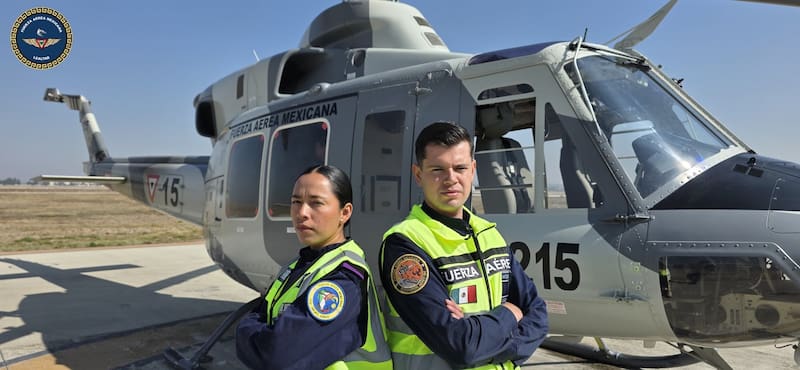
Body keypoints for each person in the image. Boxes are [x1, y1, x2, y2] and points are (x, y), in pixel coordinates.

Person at [379, 122, 548, 369]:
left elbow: (538, 314)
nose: (451, 179)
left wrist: (481, 336)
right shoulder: (405, 244)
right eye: (438, 169)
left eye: (460, 168)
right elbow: (461, 347)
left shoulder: (489, 234)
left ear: (473, 170)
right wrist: (509, 314)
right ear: (418, 175)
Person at [236, 165, 392, 370]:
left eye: (316, 203)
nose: (302, 213)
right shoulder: (298, 266)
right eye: (296, 202)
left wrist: (243, 330)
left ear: (344, 213)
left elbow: (274, 355)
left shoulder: (343, 279)